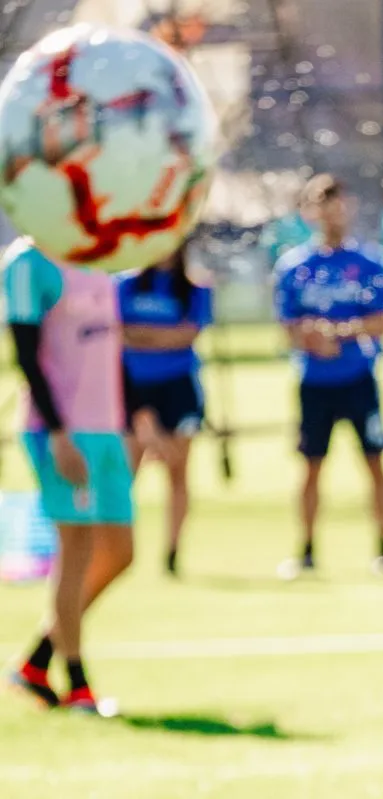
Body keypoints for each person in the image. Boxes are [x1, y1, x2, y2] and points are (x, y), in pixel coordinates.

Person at [3, 238, 135, 712]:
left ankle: (36, 659)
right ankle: (77, 683)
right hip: (59, 429)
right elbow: (25, 352)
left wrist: (134, 418)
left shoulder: (97, 256)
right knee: (76, 547)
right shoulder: (26, 263)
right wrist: (58, 433)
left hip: (107, 428)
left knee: (120, 551)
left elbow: (110, 351)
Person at [273, 174, 383, 576]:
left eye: (337, 203)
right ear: (309, 211)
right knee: (310, 466)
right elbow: (287, 325)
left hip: (359, 379)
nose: (331, 212)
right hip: (314, 383)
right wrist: (310, 340)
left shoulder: (369, 262)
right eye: (321, 204)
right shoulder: (295, 266)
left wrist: (341, 333)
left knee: (375, 463)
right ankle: (306, 550)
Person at [116, 244, 213, 576]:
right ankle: (114, 545)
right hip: (134, 390)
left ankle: (172, 552)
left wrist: (143, 335)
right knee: (127, 471)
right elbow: (119, 334)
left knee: (177, 470)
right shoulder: (124, 285)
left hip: (179, 389)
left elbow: (187, 335)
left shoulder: (194, 288)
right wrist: (159, 336)